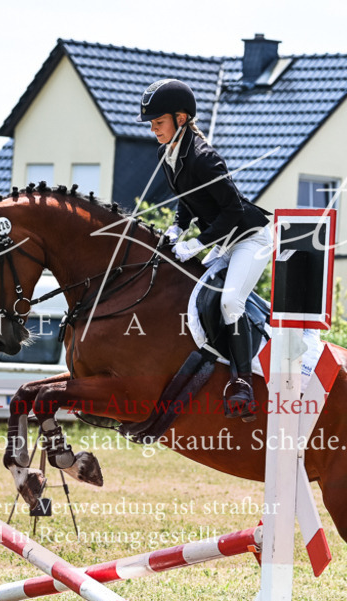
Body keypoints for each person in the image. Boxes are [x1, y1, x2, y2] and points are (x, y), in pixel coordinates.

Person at [137, 78, 272, 421]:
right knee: (190, 288)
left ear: (181, 119)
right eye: (152, 125)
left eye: (159, 123)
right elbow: (188, 200)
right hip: (224, 239)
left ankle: (242, 383)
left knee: (229, 301)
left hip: (250, 238)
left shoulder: (204, 157)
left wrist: (197, 242)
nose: (154, 130)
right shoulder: (167, 154)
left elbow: (235, 212)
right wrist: (178, 228)